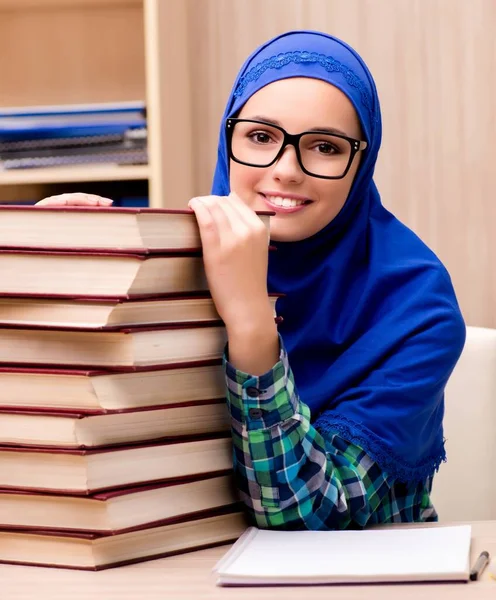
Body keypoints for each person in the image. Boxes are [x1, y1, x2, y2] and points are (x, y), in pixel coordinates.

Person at [37, 30, 466, 530]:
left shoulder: (416, 304)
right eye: (260, 137)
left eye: (325, 146)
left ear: (361, 162)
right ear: (229, 139)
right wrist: (47, 273)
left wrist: (251, 327)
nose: (285, 170)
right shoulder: (167, 262)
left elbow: (313, 519)